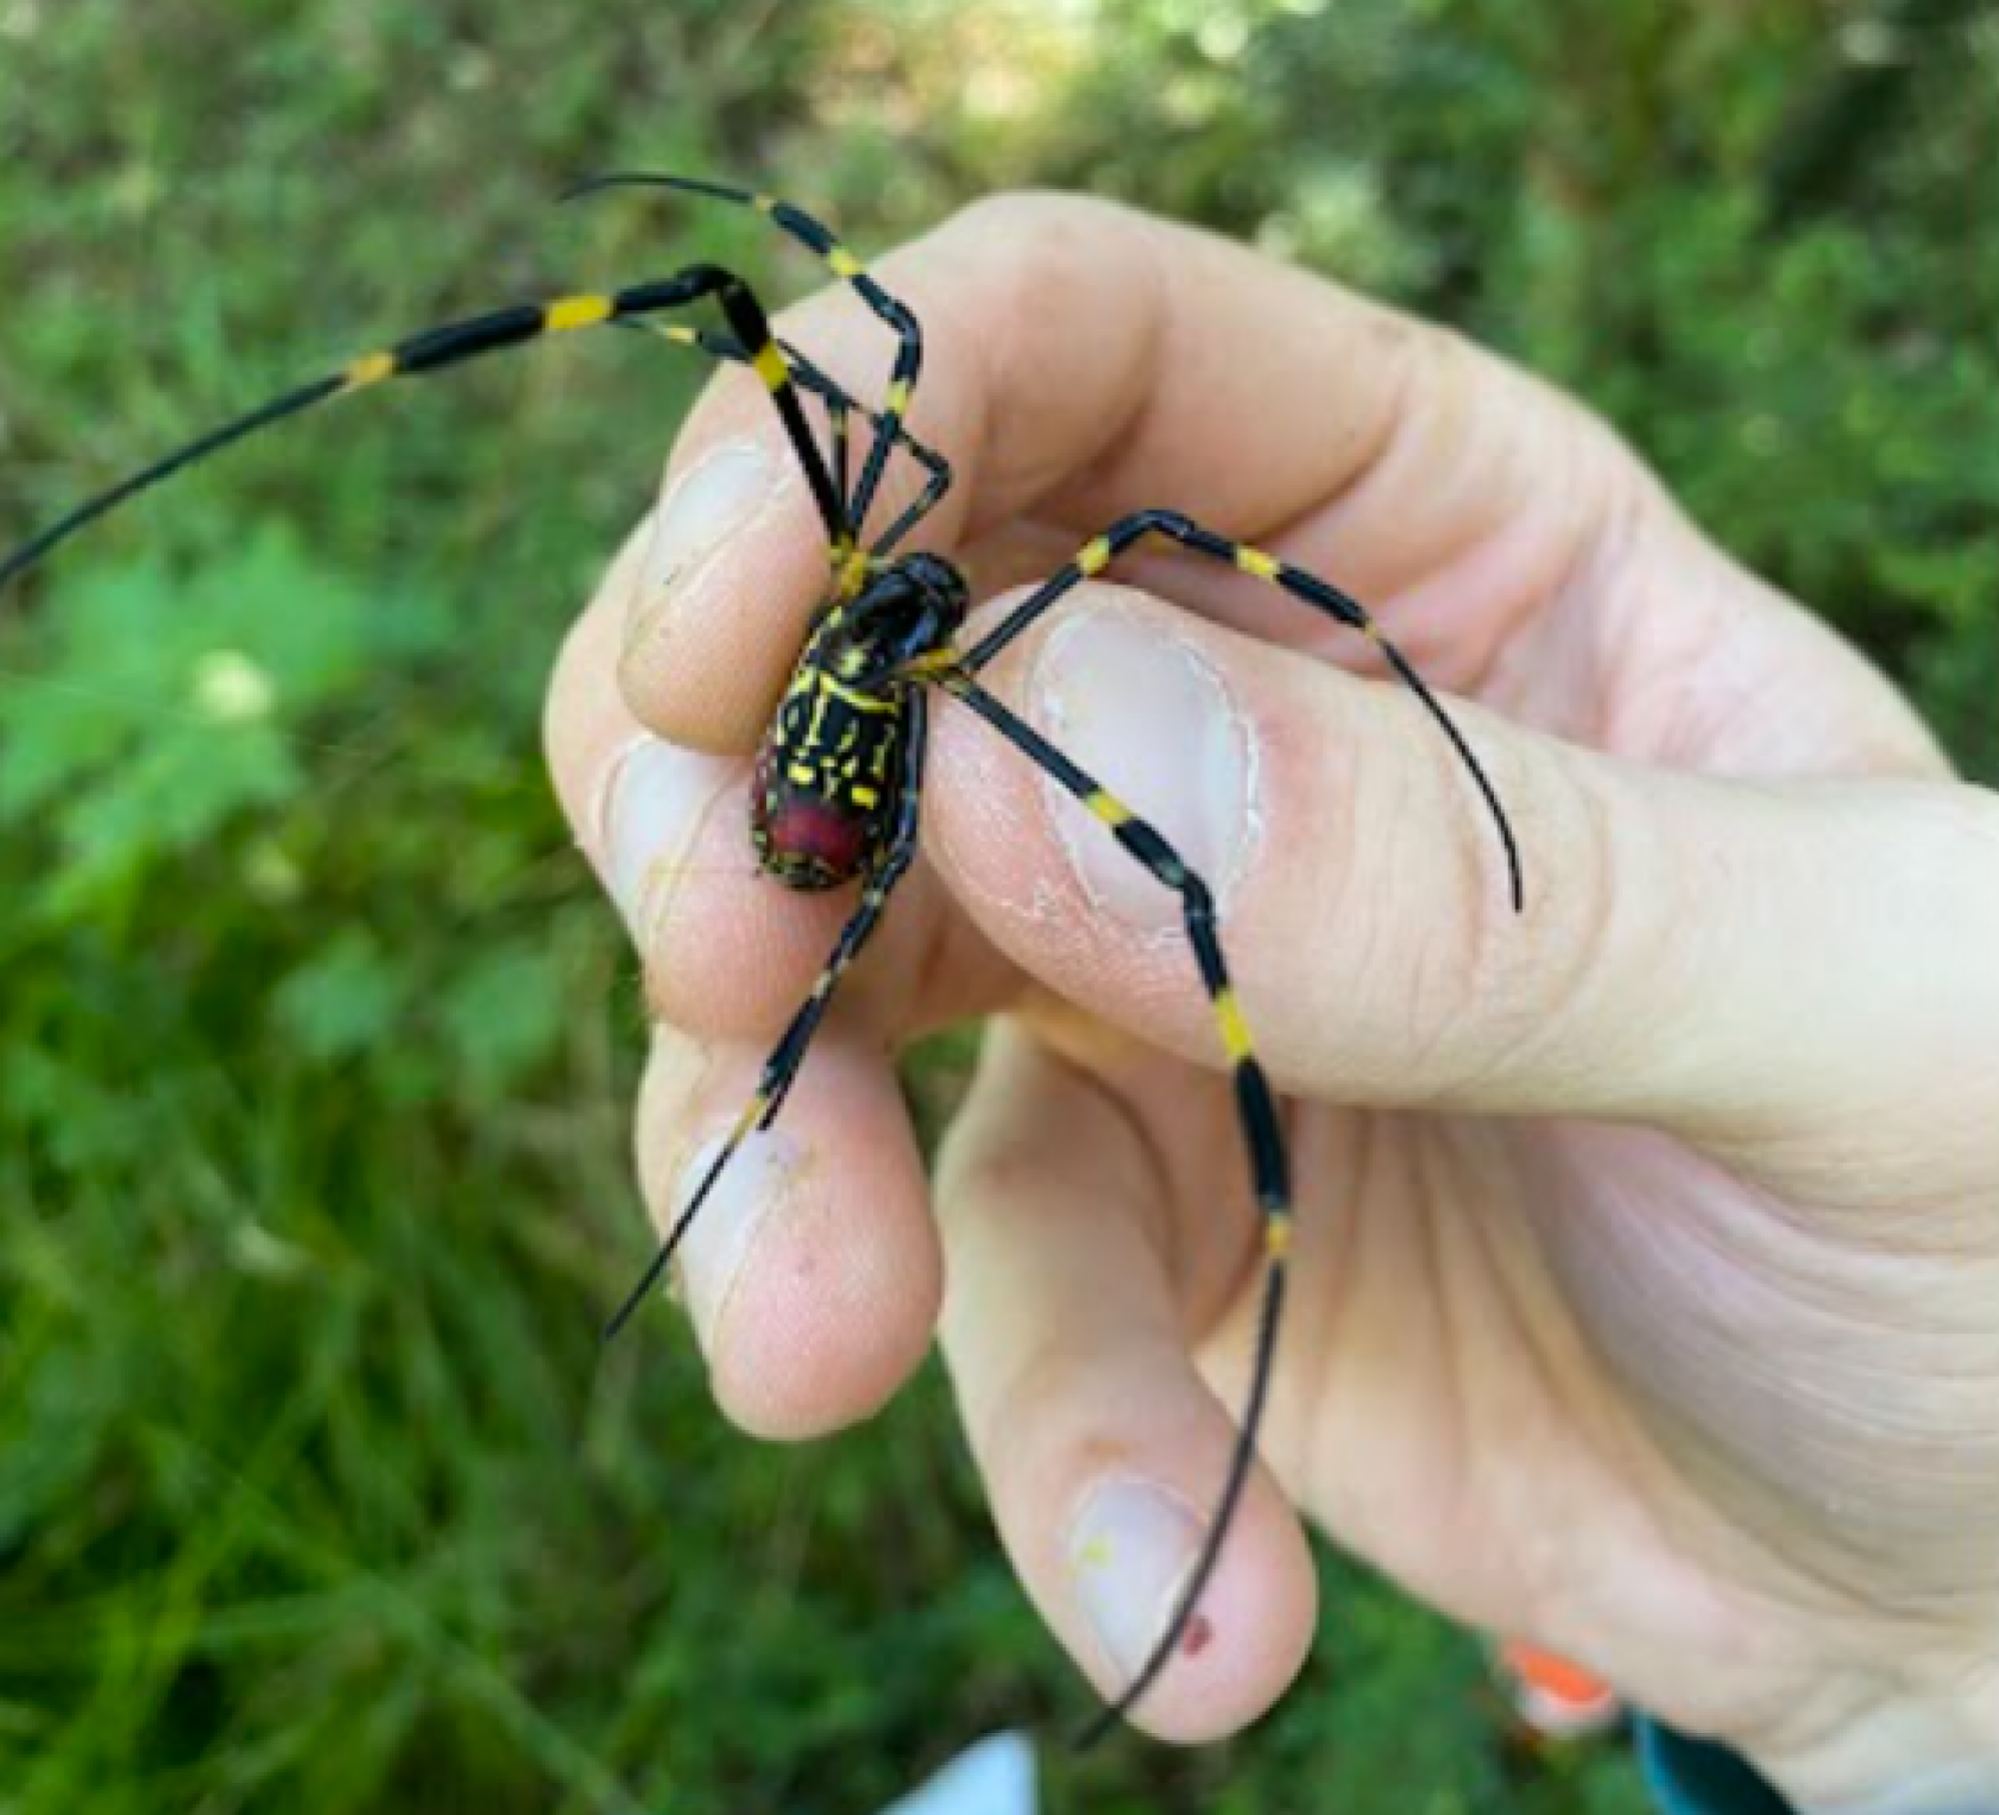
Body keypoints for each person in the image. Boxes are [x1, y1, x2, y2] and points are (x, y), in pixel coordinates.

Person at [541, 194, 1999, 1813]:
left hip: (835, 824)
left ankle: (778, 1127)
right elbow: (847, 348)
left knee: (1153, 862)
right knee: (766, 329)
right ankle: (754, 1117)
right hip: (811, 826)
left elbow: (1173, 841)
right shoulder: (879, 566)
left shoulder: (947, 633)